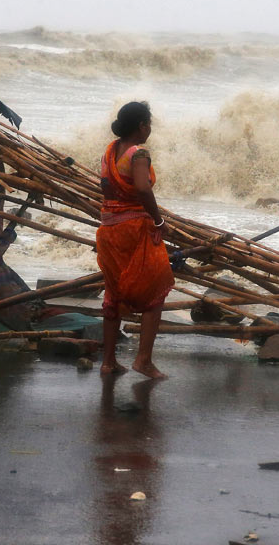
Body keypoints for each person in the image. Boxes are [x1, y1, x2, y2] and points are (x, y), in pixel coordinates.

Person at [96, 101, 174, 378]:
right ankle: (143, 360)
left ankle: (108, 361)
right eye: (149, 123)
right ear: (142, 126)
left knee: (113, 292)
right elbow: (142, 188)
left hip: (108, 230)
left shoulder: (109, 152)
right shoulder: (138, 153)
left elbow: (107, 188)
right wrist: (158, 220)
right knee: (156, 289)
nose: (150, 129)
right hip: (135, 230)